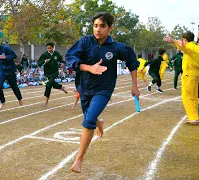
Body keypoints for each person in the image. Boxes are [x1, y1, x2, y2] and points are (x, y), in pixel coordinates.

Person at [65, 12, 140, 173]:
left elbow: (132, 63)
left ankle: (78, 160)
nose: (98, 29)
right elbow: (70, 58)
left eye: (102, 26)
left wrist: (135, 85)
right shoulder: (85, 42)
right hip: (84, 88)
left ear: (110, 28)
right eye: (95, 26)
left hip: (103, 89)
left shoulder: (116, 47)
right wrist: (89, 67)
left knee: (88, 120)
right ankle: (99, 123)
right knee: (90, 117)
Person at [163, 31, 199, 125]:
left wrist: (172, 41)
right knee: (193, 97)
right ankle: (194, 116)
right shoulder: (196, 46)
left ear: (185, 39)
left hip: (189, 74)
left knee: (187, 96)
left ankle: (193, 117)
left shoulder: (190, 46)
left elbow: (184, 48)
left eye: (183, 40)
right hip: (195, 73)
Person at [0, 38, 23, 110]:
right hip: (2, 71)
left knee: (14, 87)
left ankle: (19, 98)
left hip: (10, 70)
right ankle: (2, 102)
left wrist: (6, 57)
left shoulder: (6, 48)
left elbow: (14, 56)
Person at [37, 42, 68, 107]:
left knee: (48, 84)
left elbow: (61, 60)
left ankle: (46, 102)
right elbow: (39, 63)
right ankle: (61, 87)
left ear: (53, 47)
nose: (49, 49)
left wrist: (62, 63)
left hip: (55, 72)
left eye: (50, 48)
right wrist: (44, 61)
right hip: (47, 73)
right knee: (53, 85)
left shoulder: (56, 54)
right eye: (48, 48)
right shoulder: (44, 55)